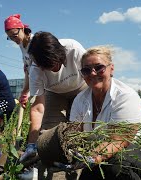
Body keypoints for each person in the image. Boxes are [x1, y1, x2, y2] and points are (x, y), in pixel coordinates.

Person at [66, 45, 141, 179]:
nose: (93, 73)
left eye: (99, 67)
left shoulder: (125, 96)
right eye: (86, 70)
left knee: (118, 170)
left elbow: (119, 141)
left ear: (111, 69)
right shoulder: (80, 100)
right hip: (102, 152)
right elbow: (74, 134)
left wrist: (89, 159)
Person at [19, 31, 88, 164]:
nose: (50, 71)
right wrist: (31, 144)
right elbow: (38, 108)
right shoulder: (35, 69)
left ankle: (80, 165)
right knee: (50, 135)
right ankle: (56, 168)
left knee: (79, 130)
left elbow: (92, 77)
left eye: (52, 66)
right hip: (54, 92)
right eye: (45, 68)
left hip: (81, 87)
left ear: (60, 54)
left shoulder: (74, 50)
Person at [4, 14, 33, 108]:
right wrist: (24, 92)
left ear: (22, 29)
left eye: (15, 35)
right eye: (10, 38)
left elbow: (38, 73)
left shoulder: (34, 42)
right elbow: (28, 72)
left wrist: (30, 93)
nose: (13, 40)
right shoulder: (22, 45)